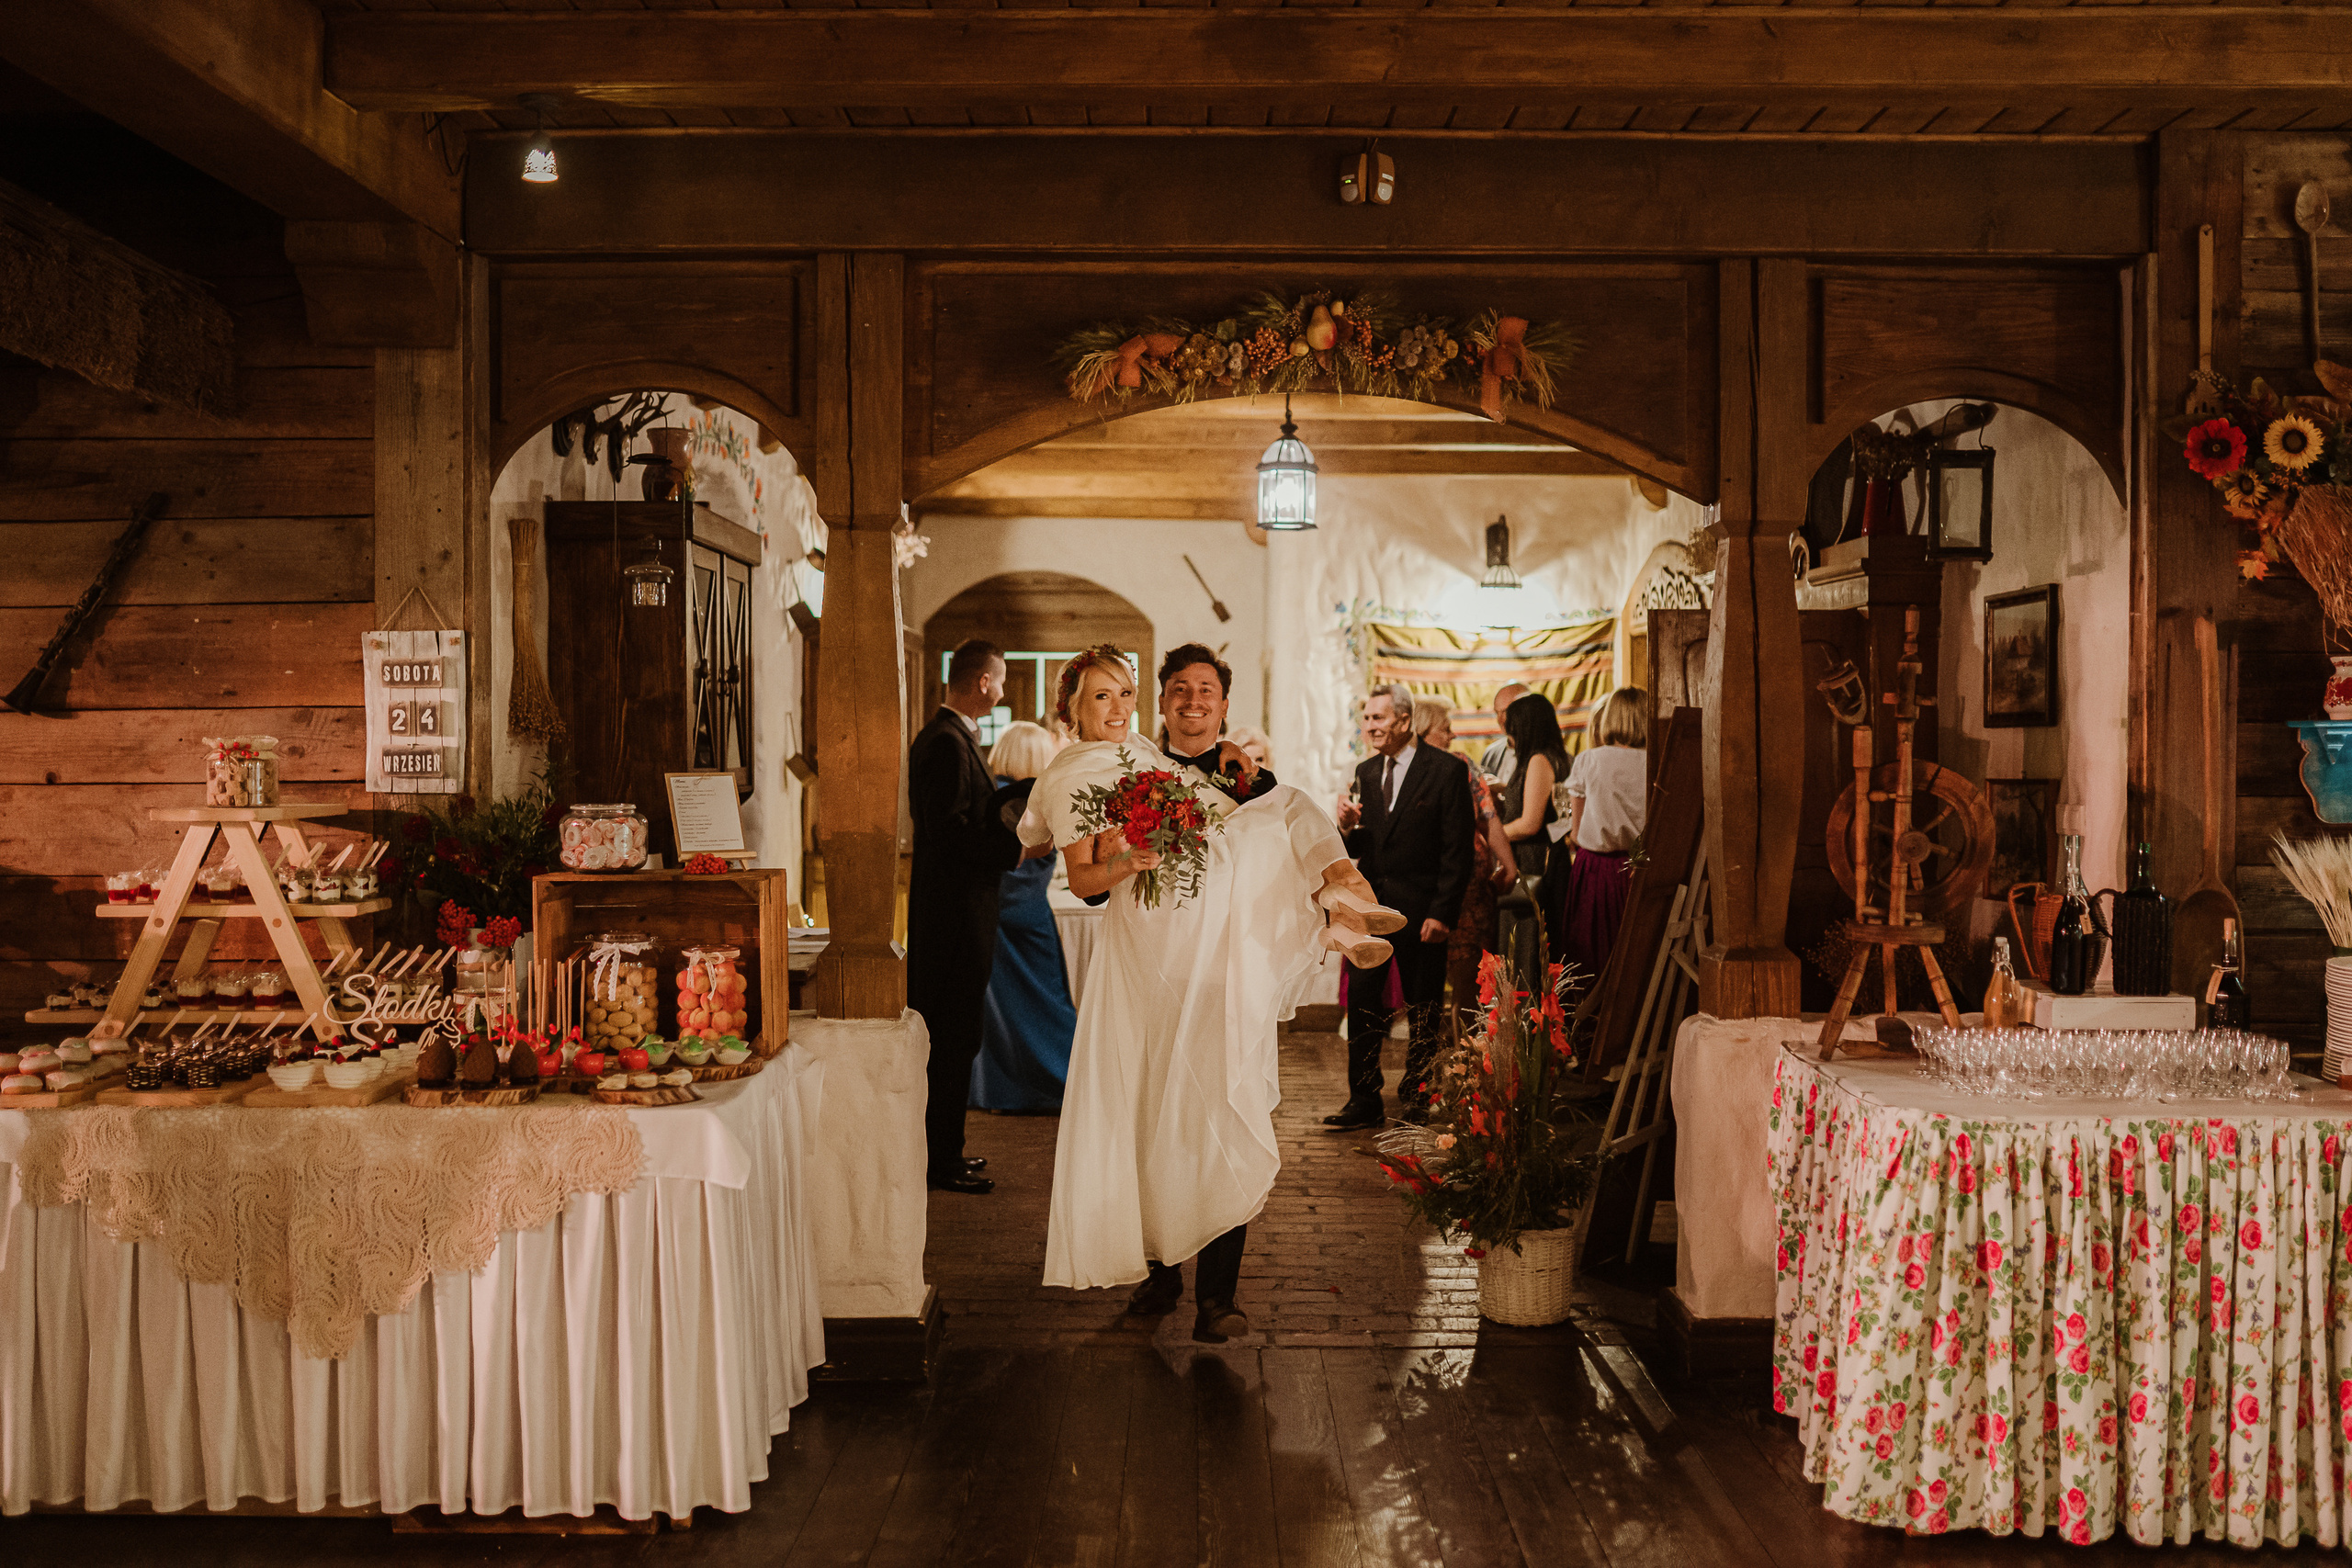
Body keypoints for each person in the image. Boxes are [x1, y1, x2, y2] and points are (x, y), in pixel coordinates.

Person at [1023, 646, 1400, 1343]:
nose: (1191, 701)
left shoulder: (1233, 774)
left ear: (1223, 705)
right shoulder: (1106, 768)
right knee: (1151, 1112)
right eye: (1177, 690)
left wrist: (1236, 774)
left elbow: (1260, 836)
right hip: (1150, 960)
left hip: (1225, 957)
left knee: (1226, 1104)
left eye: (1206, 691)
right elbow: (1082, 873)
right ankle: (1162, 1271)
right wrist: (1136, 853)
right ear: (1162, 704)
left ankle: (1217, 1299)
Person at [908, 638, 1023, 1195]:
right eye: (999, 681)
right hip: (950, 920)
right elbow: (947, 832)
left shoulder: (952, 738)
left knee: (958, 1039)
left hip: (959, 913)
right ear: (983, 682)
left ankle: (947, 1150)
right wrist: (1015, 852)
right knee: (950, 1040)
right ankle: (938, 1161)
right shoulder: (946, 743)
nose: (1001, 691)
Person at [1329, 683, 1474, 1129]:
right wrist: (1348, 827)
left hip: (1423, 909)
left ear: (1405, 721)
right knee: (1364, 1001)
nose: (1369, 727)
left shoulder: (1446, 770)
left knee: (1424, 1006)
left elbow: (1458, 849)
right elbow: (1366, 845)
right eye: (1367, 719)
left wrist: (1442, 913)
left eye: (1378, 718)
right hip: (1370, 909)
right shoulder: (1367, 771)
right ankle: (1364, 1098)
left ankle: (1418, 1092)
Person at [970, 720, 1077, 1113]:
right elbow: (1029, 860)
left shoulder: (993, 796)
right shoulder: (1025, 800)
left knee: (1000, 1014)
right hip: (1025, 915)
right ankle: (1064, 1080)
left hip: (995, 916)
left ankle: (1000, 1091)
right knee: (1046, 1006)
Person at [1415, 701, 1518, 1041]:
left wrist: (1507, 863)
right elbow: (1487, 817)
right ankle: (1453, 1052)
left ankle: (1466, 1055)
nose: (1452, 734)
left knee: (1467, 969)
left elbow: (1488, 818)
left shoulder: (1460, 765)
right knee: (1445, 969)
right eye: (1445, 728)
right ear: (1422, 730)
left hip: (1463, 880)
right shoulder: (1427, 768)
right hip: (1433, 879)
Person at [1552, 688, 1650, 983]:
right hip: (1641, 867)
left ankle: (1593, 1023)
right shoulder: (1656, 760)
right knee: (1636, 952)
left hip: (1596, 867)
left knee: (1592, 951)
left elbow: (1577, 831)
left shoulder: (1589, 760)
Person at [1496, 691, 1569, 974]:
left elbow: (1529, 823)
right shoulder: (1555, 756)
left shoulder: (1539, 759)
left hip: (1535, 864)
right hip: (1546, 860)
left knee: (1527, 949)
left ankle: (1529, 1016)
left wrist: (1493, 835)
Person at [1480, 681, 1528, 778]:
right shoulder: (1491, 752)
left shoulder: (1547, 754)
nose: (1500, 720)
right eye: (1497, 713)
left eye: (1505, 711)